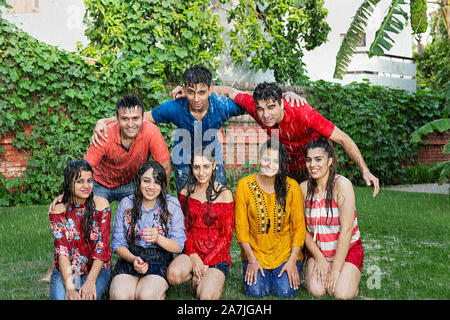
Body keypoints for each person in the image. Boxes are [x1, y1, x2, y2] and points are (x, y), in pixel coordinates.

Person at [91, 66, 306, 193]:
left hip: (212, 153)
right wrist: (105, 121)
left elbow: (258, 102)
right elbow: (141, 118)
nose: (196, 98)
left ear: (210, 91)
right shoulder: (174, 108)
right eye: (191, 92)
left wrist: (286, 95)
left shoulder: (222, 106)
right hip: (184, 154)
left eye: (202, 92)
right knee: (186, 197)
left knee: (217, 193)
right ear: (183, 90)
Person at [211, 82, 380, 197]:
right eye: (261, 109)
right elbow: (228, 91)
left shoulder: (302, 113)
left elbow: (343, 139)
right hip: (290, 162)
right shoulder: (255, 107)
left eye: (271, 108)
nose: (266, 114)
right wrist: (191, 88)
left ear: (282, 104)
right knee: (291, 203)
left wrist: (365, 170)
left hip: (315, 158)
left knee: (319, 203)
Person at [234, 139, 306, 298]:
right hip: (255, 253)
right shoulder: (244, 186)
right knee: (256, 292)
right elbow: (241, 229)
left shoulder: (292, 187)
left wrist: (293, 259)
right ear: (259, 159)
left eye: (275, 161)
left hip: (285, 253)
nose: (270, 164)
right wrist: (251, 259)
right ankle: (259, 273)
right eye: (266, 159)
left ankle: (284, 272)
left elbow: (299, 228)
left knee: (286, 292)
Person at [109, 161, 186, 300]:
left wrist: (158, 238)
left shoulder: (172, 205)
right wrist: (133, 259)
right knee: (120, 295)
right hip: (131, 257)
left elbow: (178, 245)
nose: (151, 187)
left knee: (146, 296)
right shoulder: (126, 204)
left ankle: (157, 291)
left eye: (156, 182)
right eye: (146, 181)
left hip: (158, 259)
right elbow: (118, 243)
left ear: (162, 185)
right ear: (139, 181)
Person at [166, 145, 234, 300]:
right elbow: (183, 228)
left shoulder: (225, 195)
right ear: (191, 167)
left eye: (206, 167)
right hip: (192, 250)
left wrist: (206, 263)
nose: (201, 173)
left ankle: (209, 277)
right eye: (196, 167)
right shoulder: (185, 192)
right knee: (173, 275)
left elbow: (227, 237)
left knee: (205, 297)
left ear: (214, 165)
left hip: (217, 253)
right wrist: (194, 256)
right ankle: (195, 274)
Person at [299, 137, 364, 299]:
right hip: (318, 250)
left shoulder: (342, 185)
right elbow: (302, 229)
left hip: (347, 249)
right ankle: (323, 267)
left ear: (329, 161)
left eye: (318, 159)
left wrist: (335, 270)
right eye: (309, 160)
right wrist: (320, 258)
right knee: (317, 290)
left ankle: (350, 278)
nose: (313, 165)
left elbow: (347, 230)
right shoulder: (303, 188)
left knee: (341, 293)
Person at [84, 94, 171, 201]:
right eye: (125, 119)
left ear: (143, 117)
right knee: (90, 213)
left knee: (143, 214)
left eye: (135, 118)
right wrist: (67, 196)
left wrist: (163, 199)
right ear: (117, 119)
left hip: (130, 182)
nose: (130, 124)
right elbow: (84, 168)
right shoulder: (104, 134)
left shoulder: (151, 131)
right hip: (101, 182)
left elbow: (164, 167)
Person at [49, 160, 112, 300]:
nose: (86, 186)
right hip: (68, 270)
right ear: (69, 183)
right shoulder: (59, 209)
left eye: (89, 180)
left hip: (97, 269)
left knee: (86, 297)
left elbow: (102, 248)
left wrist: (90, 282)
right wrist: (70, 288)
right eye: (80, 181)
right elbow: (62, 250)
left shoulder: (101, 205)